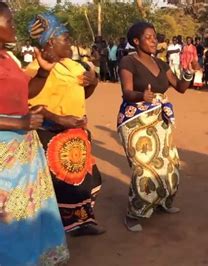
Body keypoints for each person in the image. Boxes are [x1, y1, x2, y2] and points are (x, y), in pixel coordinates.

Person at [0, 4, 69, 265]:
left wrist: (43, 71)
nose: (14, 25)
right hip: (4, 153)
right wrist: (19, 121)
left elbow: (26, 94)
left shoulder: (9, 58)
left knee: (30, 210)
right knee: (8, 219)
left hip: (24, 149)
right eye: (9, 20)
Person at [27, 13, 104, 236]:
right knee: (60, 186)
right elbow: (29, 104)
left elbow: (84, 94)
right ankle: (60, 228)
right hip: (51, 135)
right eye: (65, 38)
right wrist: (61, 119)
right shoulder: (37, 69)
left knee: (86, 182)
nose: (70, 42)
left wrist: (93, 83)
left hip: (76, 133)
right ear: (51, 41)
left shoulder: (74, 66)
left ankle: (81, 223)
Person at [118, 22, 199, 232]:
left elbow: (180, 87)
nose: (154, 40)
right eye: (149, 37)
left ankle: (163, 202)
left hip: (160, 120)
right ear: (136, 41)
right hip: (136, 120)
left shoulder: (161, 64)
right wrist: (141, 96)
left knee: (169, 162)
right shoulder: (128, 61)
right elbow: (126, 92)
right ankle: (134, 213)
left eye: (155, 37)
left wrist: (189, 72)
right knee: (143, 168)